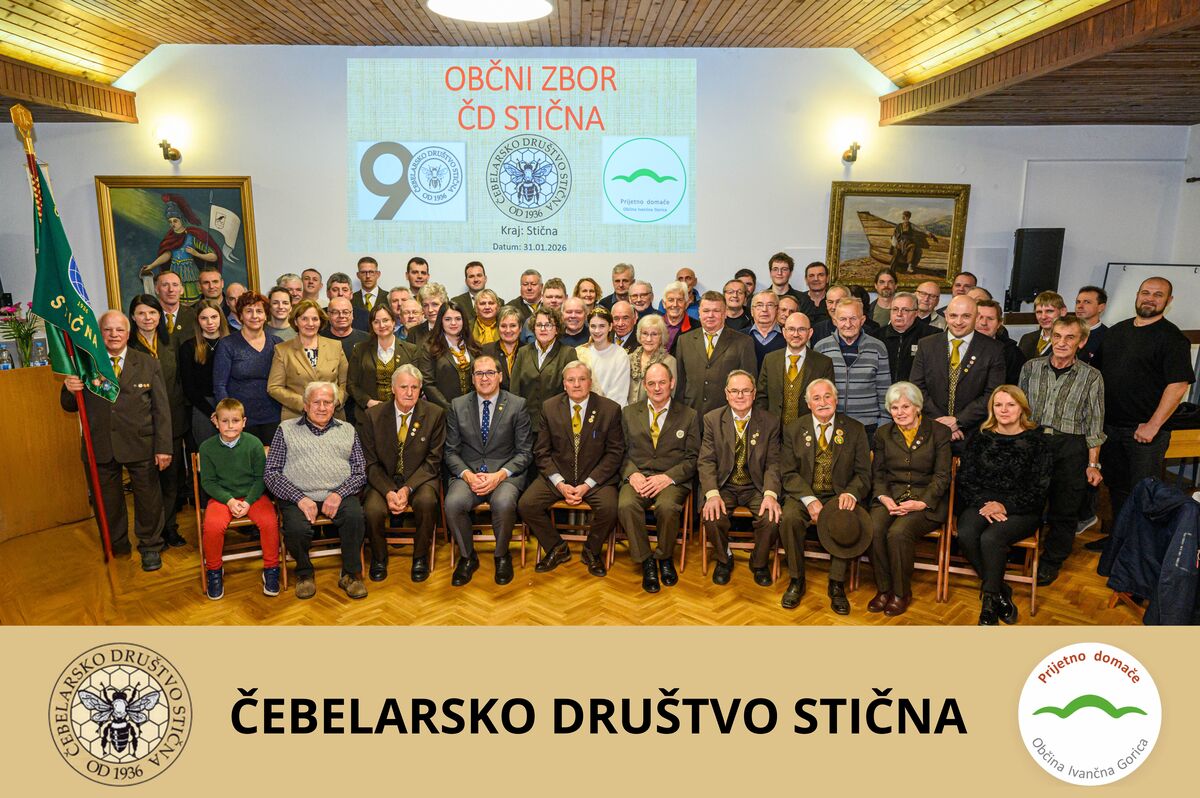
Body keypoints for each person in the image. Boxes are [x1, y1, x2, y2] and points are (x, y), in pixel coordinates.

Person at [1089, 277, 1194, 554]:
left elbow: (1178, 385)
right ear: (1137, 295)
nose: (1150, 298)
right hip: (1110, 428)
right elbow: (1096, 375)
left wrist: (1153, 425)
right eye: (1146, 292)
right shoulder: (1117, 332)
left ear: (1168, 301)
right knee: (1117, 488)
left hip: (1145, 433)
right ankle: (1117, 540)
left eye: (1158, 295)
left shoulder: (1172, 338)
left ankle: (1137, 552)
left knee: (1144, 492)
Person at [60, 311, 171, 571]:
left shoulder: (148, 363)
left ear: (128, 333)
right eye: (108, 330)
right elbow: (68, 406)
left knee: (148, 500)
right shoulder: (85, 364)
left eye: (119, 330)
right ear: (99, 334)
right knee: (108, 502)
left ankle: (150, 546)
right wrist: (68, 389)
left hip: (141, 444)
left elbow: (161, 410)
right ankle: (117, 545)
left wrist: (164, 448)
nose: (114, 335)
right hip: (100, 445)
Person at [1019, 316, 1105, 586]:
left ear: (1082, 341)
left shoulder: (1092, 376)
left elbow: (1094, 423)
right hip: (1033, 442)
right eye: (1057, 336)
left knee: (1064, 508)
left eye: (1070, 337)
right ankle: (1019, 550)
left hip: (1071, 446)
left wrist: (1093, 464)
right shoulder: (1030, 368)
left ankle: (1052, 561)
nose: (1062, 343)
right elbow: (1018, 410)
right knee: (1025, 501)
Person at [955, 385, 1052, 625]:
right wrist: (987, 503)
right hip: (982, 501)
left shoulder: (1037, 441)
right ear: (992, 409)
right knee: (966, 533)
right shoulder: (981, 437)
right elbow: (965, 479)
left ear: (1022, 409)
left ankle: (989, 603)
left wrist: (1004, 506)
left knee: (991, 538)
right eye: (998, 405)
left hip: (1022, 507)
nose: (1004, 410)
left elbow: (1039, 488)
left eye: (1010, 404)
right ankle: (1000, 589)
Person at [264, 381, 368, 600]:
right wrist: (299, 498)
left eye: (327, 402)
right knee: (295, 529)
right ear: (305, 405)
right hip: (297, 495)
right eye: (316, 402)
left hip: (338, 493)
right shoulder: (286, 430)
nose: (322, 407)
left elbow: (360, 472)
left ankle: (350, 574)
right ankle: (304, 573)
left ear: (334, 405)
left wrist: (339, 494)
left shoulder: (348, 430)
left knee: (355, 517)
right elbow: (271, 473)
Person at [521, 361, 625, 577]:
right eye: (571, 380)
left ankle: (592, 551)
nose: (576, 384)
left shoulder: (609, 409)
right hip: (558, 477)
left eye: (582, 379)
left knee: (610, 508)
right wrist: (559, 483)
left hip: (595, 479)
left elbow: (615, 453)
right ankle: (556, 548)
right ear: (564, 384)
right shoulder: (550, 407)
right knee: (526, 505)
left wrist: (588, 485)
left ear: (590, 382)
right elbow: (541, 451)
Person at [778, 378, 872, 613]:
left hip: (838, 495)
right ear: (808, 403)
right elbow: (788, 473)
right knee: (789, 518)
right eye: (816, 398)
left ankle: (837, 584)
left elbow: (863, 473)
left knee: (846, 519)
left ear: (836, 400)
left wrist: (851, 492)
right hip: (803, 495)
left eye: (827, 396)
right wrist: (809, 500)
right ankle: (796, 580)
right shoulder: (793, 430)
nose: (822, 402)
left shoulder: (855, 429)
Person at [444, 356, 533, 586]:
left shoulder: (517, 405)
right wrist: (468, 476)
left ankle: (502, 555)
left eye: (490, 373)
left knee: (503, 503)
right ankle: (467, 557)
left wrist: (499, 475)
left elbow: (524, 453)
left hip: (504, 475)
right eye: (479, 373)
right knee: (453, 503)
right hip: (468, 474)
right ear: (472, 379)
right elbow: (450, 452)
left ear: (500, 376)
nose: (485, 378)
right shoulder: (457, 405)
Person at [866, 382, 952, 617]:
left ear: (917, 407)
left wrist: (922, 502)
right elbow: (878, 473)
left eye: (905, 406)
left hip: (926, 501)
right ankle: (884, 589)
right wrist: (884, 497)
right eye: (894, 408)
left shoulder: (939, 433)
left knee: (898, 532)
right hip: (891, 497)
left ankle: (901, 593)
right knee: (873, 527)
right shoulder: (883, 434)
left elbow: (942, 476)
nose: (900, 412)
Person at [617, 362, 700, 593]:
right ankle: (646, 560)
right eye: (651, 383)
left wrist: (667, 478)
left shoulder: (689, 415)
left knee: (667, 507)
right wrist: (632, 473)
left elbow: (693, 458)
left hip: (671, 479)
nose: (657, 388)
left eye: (662, 382)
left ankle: (664, 557)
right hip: (638, 476)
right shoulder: (628, 413)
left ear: (672, 383)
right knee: (626, 505)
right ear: (644, 385)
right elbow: (619, 451)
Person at [360, 365, 445, 583]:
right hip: (383, 479)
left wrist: (407, 489)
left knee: (427, 502)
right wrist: (389, 491)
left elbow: (433, 461)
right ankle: (379, 558)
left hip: (420, 478)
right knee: (372, 510)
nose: (409, 392)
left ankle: (420, 558)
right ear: (393, 389)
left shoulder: (434, 414)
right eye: (404, 387)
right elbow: (370, 463)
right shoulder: (373, 416)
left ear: (420, 389)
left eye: (414, 387)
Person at [700, 371, 782, 587]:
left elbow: (773, 463)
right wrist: (712, 494)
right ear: (726, 393)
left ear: (754, 394)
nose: (740, 395)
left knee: (771, 518)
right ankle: (724, 559)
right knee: (712, 516)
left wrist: (770, 494)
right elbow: (706, 461)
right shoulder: (712, 419)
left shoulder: (770, 422)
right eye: (735, 391)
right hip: (724, 485)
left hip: (755, 486)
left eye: (745, 391)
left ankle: (759, 562)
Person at [198, 398, 281, 600]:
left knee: (270, 522)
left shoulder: (253, 444)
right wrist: (229, 501)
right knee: (212, 526)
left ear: (244, 422)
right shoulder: (207, 448)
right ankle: (214, 570)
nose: (230, 426)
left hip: (253, 495)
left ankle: (271, 568)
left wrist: (248, 502)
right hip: (222, 497)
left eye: (235, 420)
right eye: (224, 421)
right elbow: (208, 482)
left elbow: (261, 478)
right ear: (215, 421)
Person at [127, 293, 188, 549]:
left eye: (152, 313)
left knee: (171, 480)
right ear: (133, 317)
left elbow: (181, 381)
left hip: (172, 421)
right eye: (141, 313)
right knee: (147, 485)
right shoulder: (128, 347)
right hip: (141, 425)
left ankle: (170, 527)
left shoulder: (171, 341)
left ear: (159, 315)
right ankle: (153, 533)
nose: (147, 318)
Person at [910, 295, 1005, 446]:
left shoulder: (993, 349)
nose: (958, 322)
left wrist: (958, 421)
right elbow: (916, 388)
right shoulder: (926, 345)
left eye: (966, 316)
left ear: (976, 317)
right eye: (953, 315)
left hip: (974, 435)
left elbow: (993, 393)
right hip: (931, 431)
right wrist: (943, 423)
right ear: (946, 316)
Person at [813, 297, 890, 441]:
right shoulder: (821, 348)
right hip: (831, 423)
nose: (848, 324)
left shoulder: (877, 347)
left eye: (853, 318)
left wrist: (883, 426)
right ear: (835, 321)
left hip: (868, 427)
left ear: (862, 320)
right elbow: (815, 390)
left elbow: (884, 390)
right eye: (843, 319)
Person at [674, 291, 758, 419]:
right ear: (699, 313)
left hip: (726, 417)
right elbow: (680, 382)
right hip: (691, 414)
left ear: (725, 313)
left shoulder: (743, 342)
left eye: (716, 311)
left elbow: (749, 385)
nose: (710, 315)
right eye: (706, 311)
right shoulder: (684, 340)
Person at [213, 292, 283, 442]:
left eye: (259, 311)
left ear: (266, 315)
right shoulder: (228, 344)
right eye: (249, 311)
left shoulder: (277, 343)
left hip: (273, 416)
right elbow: (219, 385)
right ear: (240, 316)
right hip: (240, 418)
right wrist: (229, 416)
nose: (254, 316)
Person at [268, 299, 349, 421]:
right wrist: (305, 404)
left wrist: (335, 401)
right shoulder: (282, 350)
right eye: (304, 319)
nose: (310, 323)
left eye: (315, 319)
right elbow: (274, 387)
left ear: (320, 321)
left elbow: (346, 382)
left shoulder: (335, 346)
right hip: (296, 417)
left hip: (332, 416)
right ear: (296, 321)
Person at [756, 311, 834, 426]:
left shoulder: (823, 363)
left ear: (810, 333)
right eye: (791, 329)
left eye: (801, 329)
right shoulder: (770, 360)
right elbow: (761, 397)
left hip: (808, 430)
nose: (796, 334)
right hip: (773, 430)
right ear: (784, 332)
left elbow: (827, 402)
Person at [347, 304, 421, 424]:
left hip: (403, 414)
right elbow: (351, 384)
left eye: (386, 320)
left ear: (393, 322)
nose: (382, 325)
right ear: (371, 325)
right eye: (376, 322)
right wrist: (368, 402)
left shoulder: (411, 350)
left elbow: (416, 384)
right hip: (368, 414)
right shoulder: (360, 350)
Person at [140, 194, 221, 302]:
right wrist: (151, 266)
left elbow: (214, 257)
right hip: (174, 273)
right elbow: (167, 255)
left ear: (181, 220)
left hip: (190, 274)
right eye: (170, 222)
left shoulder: (191, 236)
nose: (172, 224)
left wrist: (197, 254)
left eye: (175, 221)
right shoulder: (171, 238)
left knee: (194, 301)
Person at [509, 307, 578, 432]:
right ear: (533, 328)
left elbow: (573, 390)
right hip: (526, 423)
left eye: (548, 325)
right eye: (539, 325)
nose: (543, 329)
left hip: (556, 423)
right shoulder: (523, 352)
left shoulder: (568, 353)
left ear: (557, 329)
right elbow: (515, 389)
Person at [179, 300, 229, 446]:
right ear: (197, 321)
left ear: (221, 317)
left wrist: (227, 409)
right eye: (204, 318)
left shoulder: (232, 341)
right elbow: (188, 387)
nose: (210, 322)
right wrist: (212, 413)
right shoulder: (189, 347)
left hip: (230, 402)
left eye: (214, 317)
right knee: (207, 449)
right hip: (203, 406)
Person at [419, 301, 482, 411]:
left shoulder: (474, 346)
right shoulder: (429, 347)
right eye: (448, 319)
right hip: (443, 410)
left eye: (458, 319)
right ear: (441, 321)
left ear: (464, 321)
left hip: (473, 409)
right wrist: (448, 408)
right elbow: (427, 383)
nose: (453, 323)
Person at [576, 307, 632, 405]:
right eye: (593, 326)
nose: (597, 331)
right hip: (584, 408)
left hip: (612, 409)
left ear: (610, 327)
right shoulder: (580, 352)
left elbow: (619, 393)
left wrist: (604, 412)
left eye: (602, 326)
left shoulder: (620, 354)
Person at [628, 313, 677, 406]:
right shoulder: (629, 358)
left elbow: (671, 394)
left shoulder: (669, 361)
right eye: (645, 333)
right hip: (627, 412)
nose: (649, 339)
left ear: (661, 337)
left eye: (654, 334)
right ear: (639, 335)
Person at [974, 299, 1026, 384]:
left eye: (990, 318)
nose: (983, 323)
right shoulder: (959, 346)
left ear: (999, 323)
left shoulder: (1012, 353)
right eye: (979, 317)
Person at [877, 291, 925, 383]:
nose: (899, 314)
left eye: (905, 310)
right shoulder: (876, 336)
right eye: (895, 309)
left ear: (916, 313)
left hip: (916, 390)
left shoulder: (930, 336)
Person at [481, 306, 524, 390]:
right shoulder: (486, 351)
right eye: (503, 326)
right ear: (497, 328)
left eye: (513, 326)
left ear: (520, 328)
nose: (508, 330)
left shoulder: (529, 351)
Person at [320, 297, 369, 367]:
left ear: (352, 315)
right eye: (335, 312)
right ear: (328, 315)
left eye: (345, 312)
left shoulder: (367, 340)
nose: (341, 316)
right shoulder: (318, 340)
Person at [1018, 291, 1068, 358]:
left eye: (1049, 311)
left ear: (1063, 311)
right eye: (1039, 312)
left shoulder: (1070, 341)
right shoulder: (1026, 339)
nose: (1043, 317)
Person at [767, 252, 818, 316]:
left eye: (784, 269)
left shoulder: (804, 300)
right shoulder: (761, 299)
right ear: (770, 273)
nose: (779, 273)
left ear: (790, 273)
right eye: (775, 269)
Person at [153, 271, 195, 342]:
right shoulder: (149, 317)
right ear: (156, 290)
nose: (171, 290)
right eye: (165, 285)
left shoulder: (194, 315)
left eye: (175, 285)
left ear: (182, 290)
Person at [747, 290, 784, 367]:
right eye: (759, 305)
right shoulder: (740, 337)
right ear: (752, 311)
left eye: (770, 305)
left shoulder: (788, 337)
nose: (764, 309)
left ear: (777, 310)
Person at [407, 282, 448, 347]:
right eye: (425, 305)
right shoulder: (414, 333)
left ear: (444, 305)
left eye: (435, 304)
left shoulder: (453, 328)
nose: (430, 310)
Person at [1075, 285, 1108, 365]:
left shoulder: (1108, 336)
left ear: (1101, 307)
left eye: (1087, 302)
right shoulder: (1065, 330)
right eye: (1078, 302)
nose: (1080, 306)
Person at [660, 281, 694, 351]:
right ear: (664, 304)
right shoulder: (653, 325)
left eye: (680, 300)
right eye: (671, 300)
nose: (675, 304)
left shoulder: (697, 328)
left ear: (686, 304)